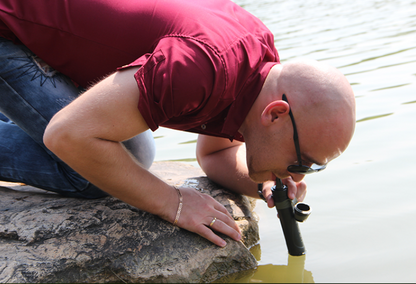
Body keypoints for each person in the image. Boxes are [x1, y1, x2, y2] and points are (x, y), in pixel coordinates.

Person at [0, 0, 355, 247]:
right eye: (301, 162)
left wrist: (258, 182)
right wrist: (173, 202)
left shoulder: (257, 77)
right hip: (9, 26)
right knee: (94, 168)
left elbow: (214, 154)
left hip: (48, 29)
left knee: (131, 151)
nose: (297, 177)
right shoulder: (204, 69)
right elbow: (67, 135)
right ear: (276, 114)